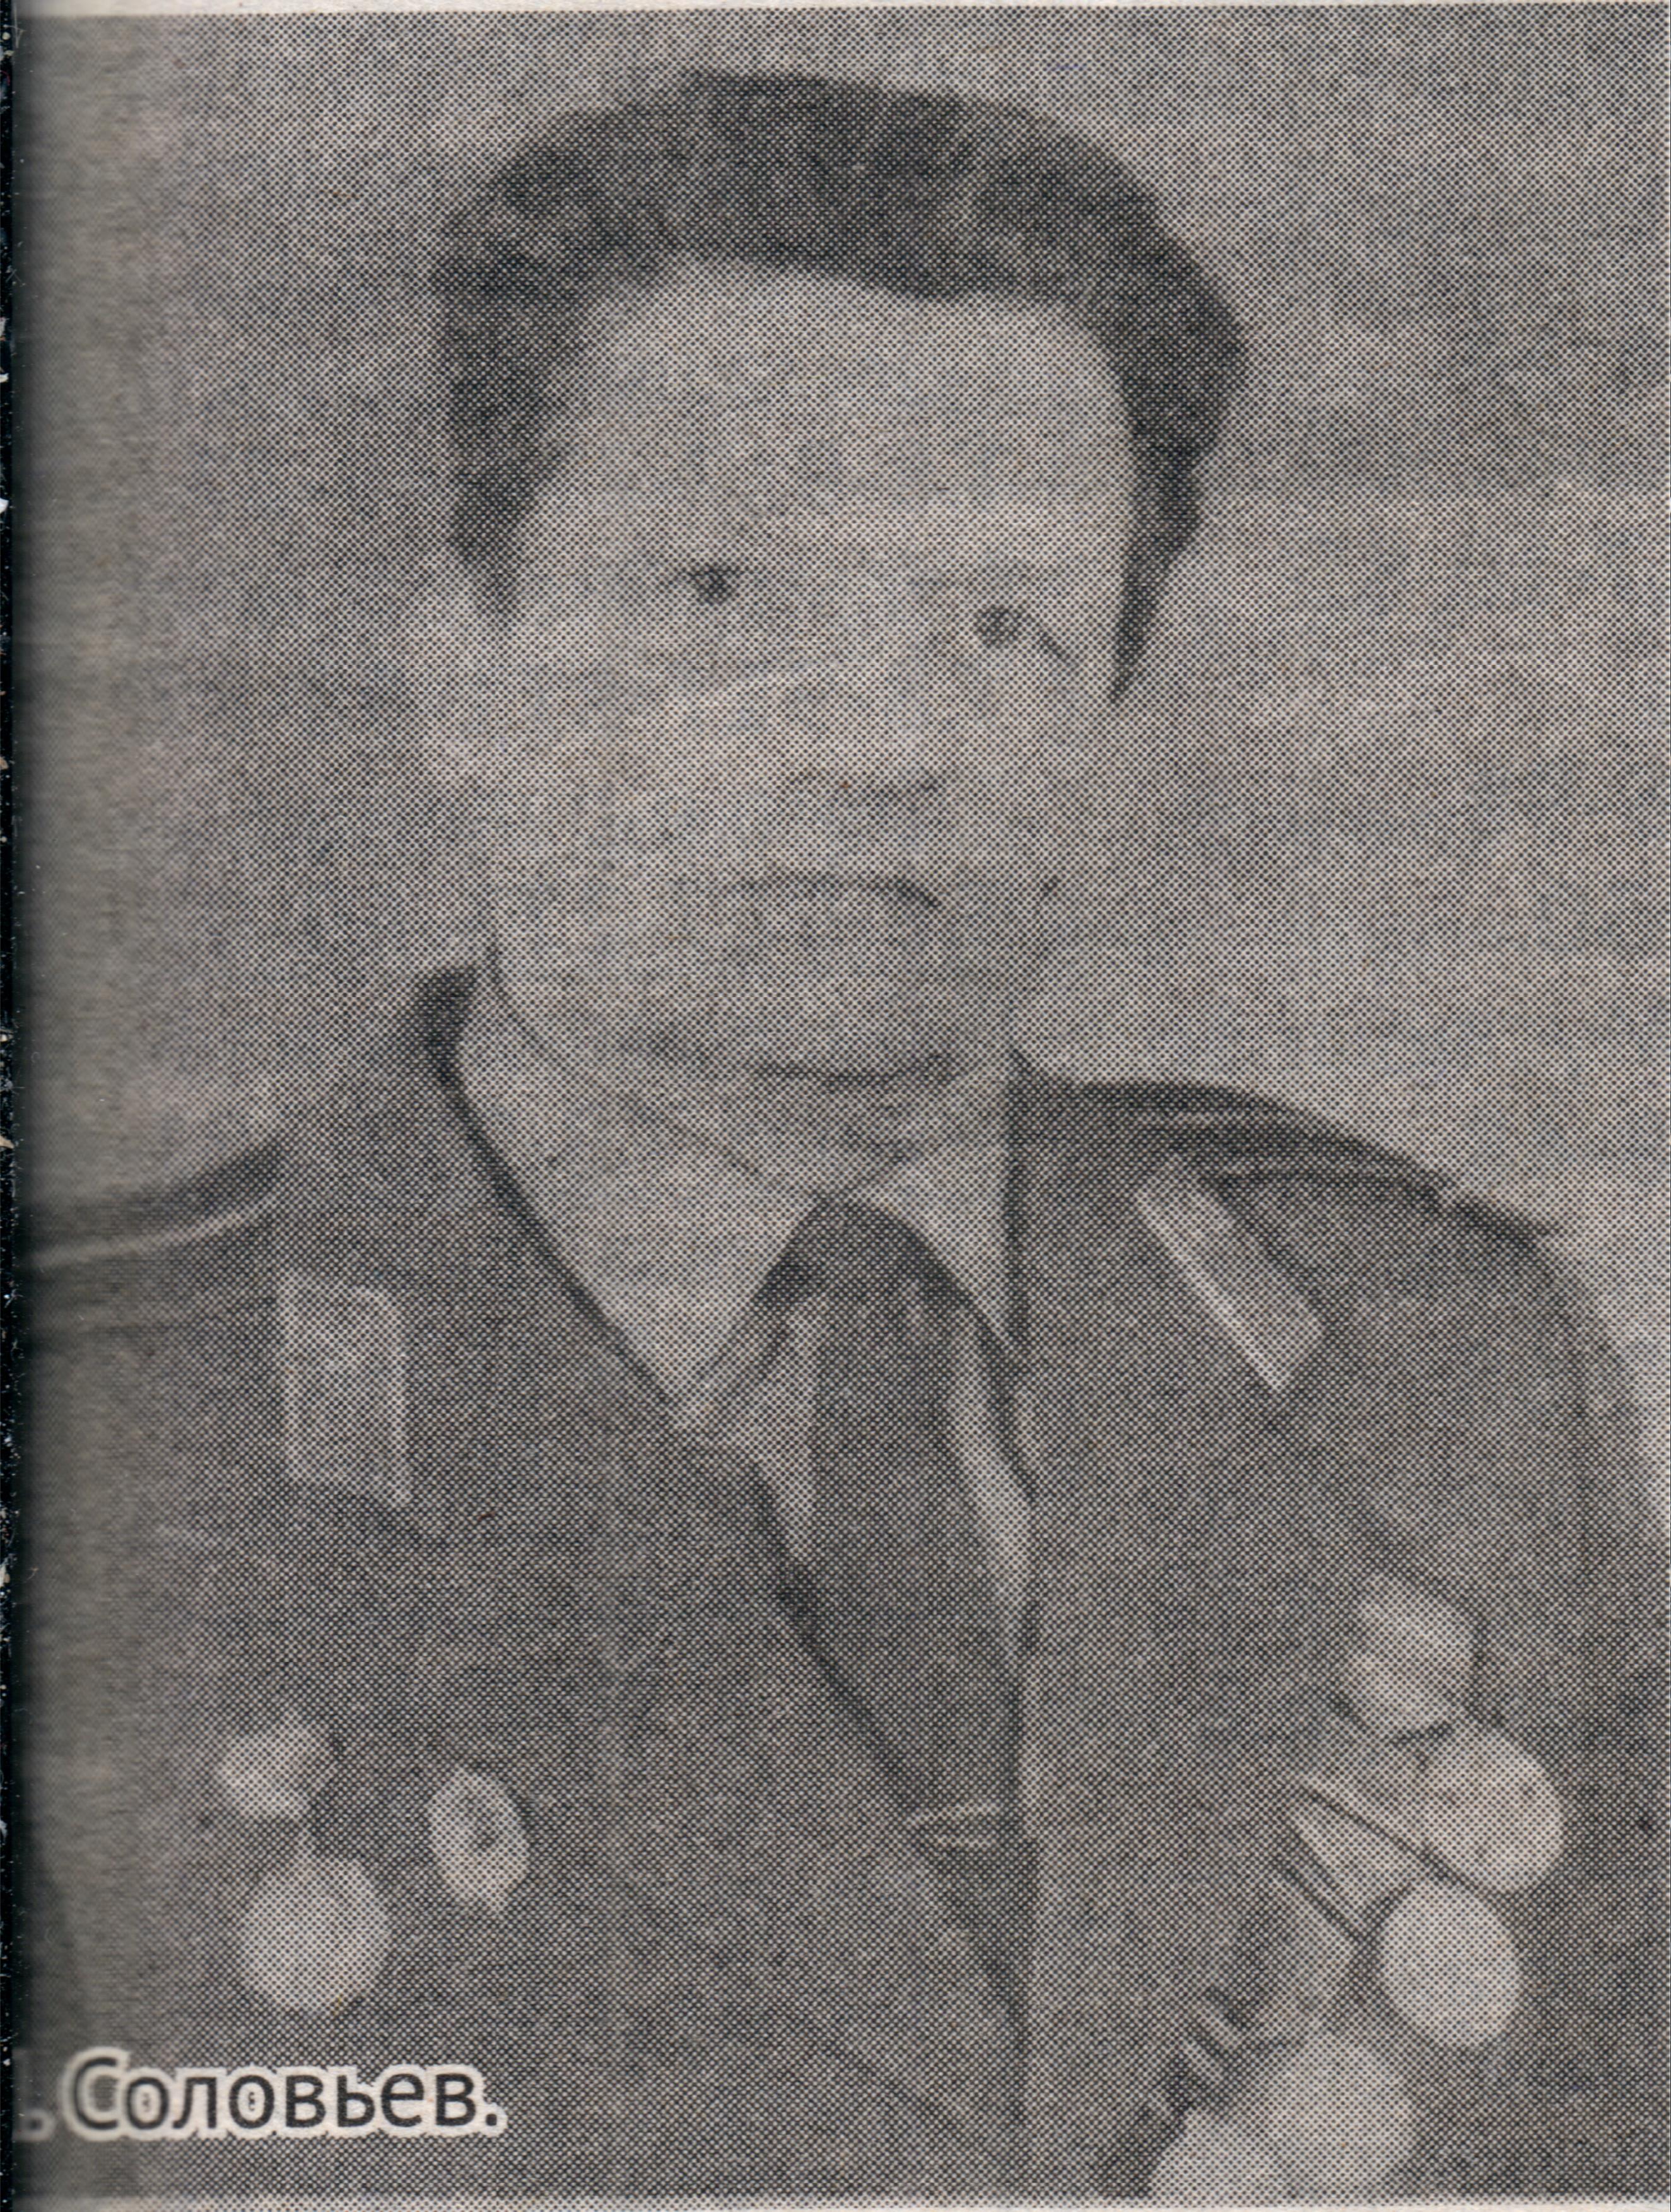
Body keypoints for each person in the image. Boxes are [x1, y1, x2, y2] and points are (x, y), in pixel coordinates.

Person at [22, 71, 1666, 2199]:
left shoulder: (1449, 1371)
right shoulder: (108, 1432)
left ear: (1105, 729)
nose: (881, 746)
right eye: (723, 599)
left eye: (999, 627)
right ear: (464, 676)